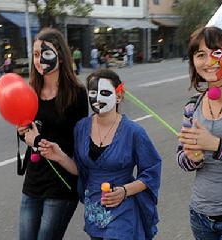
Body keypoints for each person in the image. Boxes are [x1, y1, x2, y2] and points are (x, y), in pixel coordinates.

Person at [38, 69, 162, 240]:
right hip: (94, 211)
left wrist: (124, 191)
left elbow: (151, 171)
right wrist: (59, 156)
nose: (97, 98)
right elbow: (80, 170)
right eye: (93, 92)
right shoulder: (81, 127)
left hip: (123, 212)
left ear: (119, 96)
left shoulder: (134, 132)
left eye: (104, 93)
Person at [16, 28, 89, 240]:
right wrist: (23, 132)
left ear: (60, 55)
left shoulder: (76, 94)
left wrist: (38, 141)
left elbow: (79, 142)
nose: (38, 61)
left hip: (62, 183)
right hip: (34, 180)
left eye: (44, 53)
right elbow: (28, 135)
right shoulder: (30, 92)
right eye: (36, 55)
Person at [177, 26, 222, 240]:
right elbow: (181, 159)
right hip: (200, 215)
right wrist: (192, 157)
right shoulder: (192, 106)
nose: (208, 61)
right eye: (200, 55)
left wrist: (216, 145)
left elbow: (216, 146)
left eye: (216, 52)